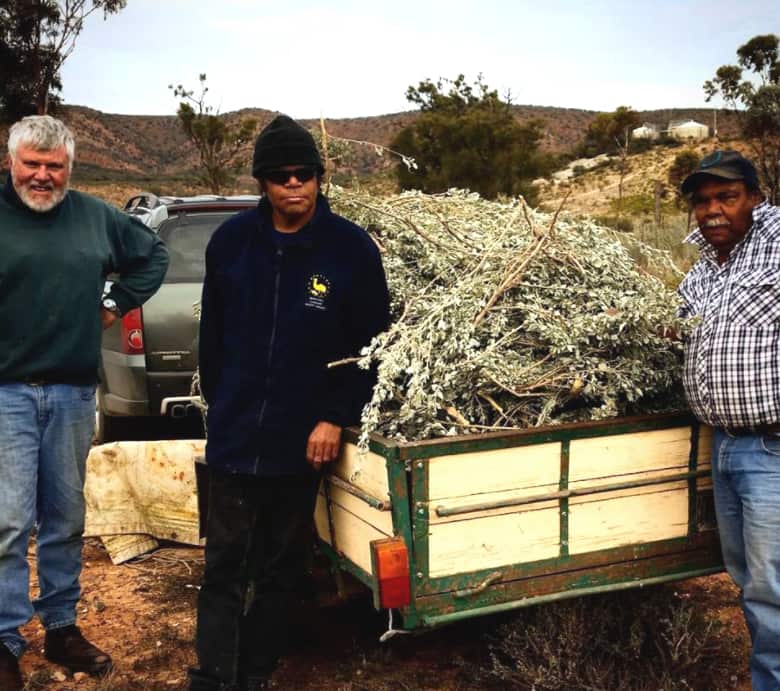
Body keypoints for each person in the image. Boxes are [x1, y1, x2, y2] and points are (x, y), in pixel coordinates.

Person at [190, 115, 390, 691]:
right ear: (263, 184)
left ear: (319, 178)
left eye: (304, 174)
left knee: (281, 569)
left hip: (303, 442)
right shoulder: (231, 243)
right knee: (224, 565)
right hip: (235, 438)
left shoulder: (349, 249)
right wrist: (223, 407)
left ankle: (254, 674)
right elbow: (214, 342)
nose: (294, 186)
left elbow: (370, 348)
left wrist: (334, 416)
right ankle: (211, 678)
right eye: (280, 177)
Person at [0, 115, 169, 690]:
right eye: (33, 164)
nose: (42, 176)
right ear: (12, 162)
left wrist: (114, 303)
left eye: (54, 166)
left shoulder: (97, 216)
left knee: (65, 518)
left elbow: (153, 258)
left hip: (74, 393)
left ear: (70, 168)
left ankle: (62, 626)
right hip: (7, 394)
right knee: (7, 520)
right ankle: (5, 637)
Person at [678, 150, 780, 690]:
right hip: (724, 446)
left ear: (756, 199)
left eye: (726, 196)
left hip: (772, 447)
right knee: (747, 581)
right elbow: (681, 332)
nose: (712, 209)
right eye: (702, 201)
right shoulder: (702, 271)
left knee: (772, 589)